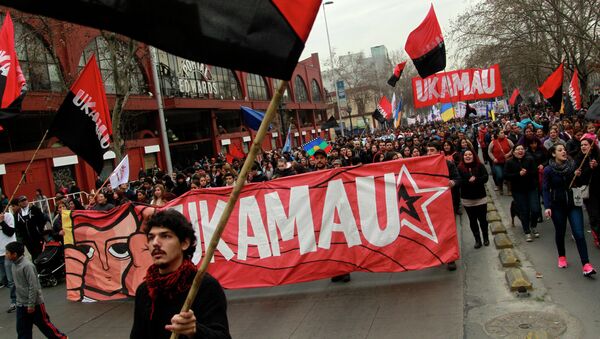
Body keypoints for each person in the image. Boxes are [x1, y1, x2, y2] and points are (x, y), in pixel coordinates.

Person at [130, 210, 231, 339]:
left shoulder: (204, 286)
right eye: (151, 237)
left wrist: (195, 331)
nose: (155, 243)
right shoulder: (145, 290)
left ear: (184, 243)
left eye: (165, 236)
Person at [543, 144, 596, 277]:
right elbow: (545, 188)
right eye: (560, 150)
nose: (564, 152)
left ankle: (586, 264)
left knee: (579, 233)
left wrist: (579, 174)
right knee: (560, 232)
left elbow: (582, 181)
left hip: (573, 203)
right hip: (557, 205)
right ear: (554, 154)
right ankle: (561, 256)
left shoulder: (573, 165)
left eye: (564, 150)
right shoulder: (548, 170)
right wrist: (548, 206)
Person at [5, 241, 67, 338]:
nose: (6, 255)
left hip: (35, 304)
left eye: (7, 253)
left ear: (15, 254)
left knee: (45, 326)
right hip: (21, 304)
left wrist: (31, 304)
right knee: (22, 330)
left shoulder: (27, 266)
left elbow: (33, 286)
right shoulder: (13, 265)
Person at [426, 141, 461, 271]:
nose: (429, 153)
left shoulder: (448, 164)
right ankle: (437, 255)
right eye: (428, 150)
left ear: (439, 152)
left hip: (446, 205)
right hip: (429, 206)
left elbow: (458, 179)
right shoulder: (422, 166)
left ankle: (450, 259)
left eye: (432, 150)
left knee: (448, 231)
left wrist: (452, 182)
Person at [505, 144, 541, 242]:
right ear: (513, 152)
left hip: (531, 188)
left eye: (522, 149)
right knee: (524, 211)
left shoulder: (530, 160)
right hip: (518, 191)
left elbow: (535, 172)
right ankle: (527, 231)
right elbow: (506, 176)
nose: (520, 151)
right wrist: (518, 174)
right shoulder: (509, 162)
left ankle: (533, 226)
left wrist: (527, 172)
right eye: (518, 149)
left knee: (535, 209)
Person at [457, 149, 490, 248]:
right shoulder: (459, 168)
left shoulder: (480, 166)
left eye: (470, 154)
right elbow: (459, 181)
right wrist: (468, 181)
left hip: (480, 197)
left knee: (483, 219)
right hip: (467, 199)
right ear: (463, 157)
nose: (468, 156)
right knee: (473, 220)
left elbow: (485, 178)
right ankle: (477, 240)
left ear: (473, 156)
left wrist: (476, 179)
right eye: (466, 155)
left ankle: (486, 238)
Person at [577, 137, 600, 247]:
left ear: (591, 146)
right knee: (594, 215)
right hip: (588, 193)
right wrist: (588, 169)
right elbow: (579, 180)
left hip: (598, 189)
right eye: (581, 145)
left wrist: (596, 166)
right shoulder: (579, 159)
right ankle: (597, 237)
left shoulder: (598, 156)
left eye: (585, 144)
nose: (583, 147)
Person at [14, 196, 46, 260]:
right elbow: (17, 227)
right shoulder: (17, 214)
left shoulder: (35, 209)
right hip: (27, 240)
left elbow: (43, 219)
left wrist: (39, 230)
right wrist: (22, 238)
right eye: (22, 201)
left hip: (38, 238)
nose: (24, 202)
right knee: (33, 255)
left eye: (25, 200)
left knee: (41, 254)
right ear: (19, 203)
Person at [1, 200, 17, 313]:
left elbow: (10, 232)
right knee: (4, 279)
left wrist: (2, 222)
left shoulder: (8, 216)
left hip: (8, 252)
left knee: (11, 280)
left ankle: (15, 301)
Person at [488, 130, 514, 194]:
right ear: (497, 135)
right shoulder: (493, 142)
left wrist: (509, 154)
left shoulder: (508, 140)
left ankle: (509, 190)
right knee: (500, 175)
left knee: (508, 176)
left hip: (507, 162)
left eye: (503, 133)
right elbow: (489, 151)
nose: (503, 134)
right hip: (497, 163)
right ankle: (500, 187)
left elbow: (514, 148)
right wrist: (493, 159)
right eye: (501, 133)